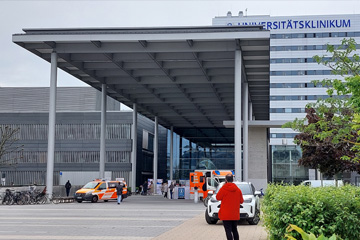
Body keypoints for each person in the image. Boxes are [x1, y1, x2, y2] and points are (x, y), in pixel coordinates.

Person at [216, 174, 244, 240]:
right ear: (233, 180)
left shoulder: (223, 188)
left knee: (228, 231)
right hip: (234, 214)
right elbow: (241, 201)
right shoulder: (238, 190)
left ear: (226, 180)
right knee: (234, 230)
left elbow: (218, 197)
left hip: (225, 214)